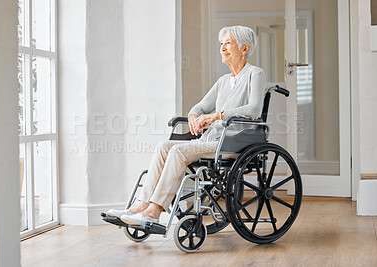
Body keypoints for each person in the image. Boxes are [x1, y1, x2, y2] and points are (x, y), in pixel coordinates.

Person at [107, 25, 266, 226]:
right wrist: (193, 116)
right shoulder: (223, 81)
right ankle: (141, 204)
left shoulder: (255, 73)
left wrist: (216, 116)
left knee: (179, 152)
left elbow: (254, 109)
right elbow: (200, 106)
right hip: (211, 141)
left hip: (233, 143)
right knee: (164, 146)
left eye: (228, 43)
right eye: (221, 44)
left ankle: (155, 211)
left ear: (244, 49)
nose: (223, 48)